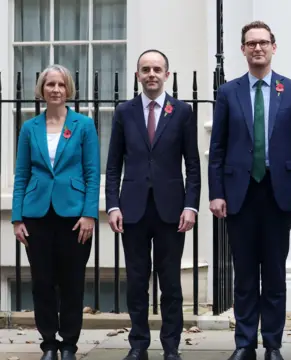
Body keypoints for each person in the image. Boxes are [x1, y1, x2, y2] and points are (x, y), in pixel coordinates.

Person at [208, 21, 291, 360]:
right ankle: (244, 343)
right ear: (242, 49)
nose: (257, 48)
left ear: (273, 47)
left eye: (263, 43)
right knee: (245, 272)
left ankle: (273, 344)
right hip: (239, 192)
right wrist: (216, 193)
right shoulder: (228, 92)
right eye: (251, 43)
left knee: (275, 272)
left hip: (278, 191)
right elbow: (218, 147)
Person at [105, 49, 201, 360]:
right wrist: (113, 205)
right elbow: (112, 165)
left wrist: (191, 206)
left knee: (171, 283)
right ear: (137, 75)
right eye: (145, 69)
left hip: (172, 211)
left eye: (157, 69)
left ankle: (171, 347)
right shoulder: (125, 112)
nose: (151, 74)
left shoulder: (182, 112)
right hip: (132, 210)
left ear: (166, 75)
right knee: (136, 282)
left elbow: (194, 165)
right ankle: (138, 345)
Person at [12, 64, 100, 360]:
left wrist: (90, 213)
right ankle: (49, 343)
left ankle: (69, 344)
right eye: (50, 84)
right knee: (42, 282)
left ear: (68, 89)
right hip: (36, 215)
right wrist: (16, 217)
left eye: (61, 85)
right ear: (41, 89)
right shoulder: (29, 128)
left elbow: (92, 172)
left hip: (74, 216)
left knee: (72, 283)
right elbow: (21, 173)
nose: (55, 90)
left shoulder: (83, 125)